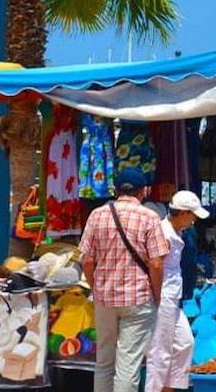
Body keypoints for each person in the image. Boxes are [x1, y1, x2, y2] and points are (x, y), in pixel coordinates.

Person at [79, 167, 169, 392]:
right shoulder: (150, 217)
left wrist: (96, 288)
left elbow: (87, 261)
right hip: (137, 299)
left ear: (116, 190)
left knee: (104, 361)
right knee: (128, 364)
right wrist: (157, 296)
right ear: (143, 191)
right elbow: (156, 264)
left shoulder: (97, 215)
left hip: (105, 299)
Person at [145, 191, 210, 392]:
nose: (193, 221)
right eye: (192, 216)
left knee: (185, 343)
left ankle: (169, 389)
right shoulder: (163, 234)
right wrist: (157, 297)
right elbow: (154, 265)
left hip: (173, 298)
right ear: (182, 213)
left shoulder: (179, 233)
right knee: (160, 353)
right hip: (162, 297)